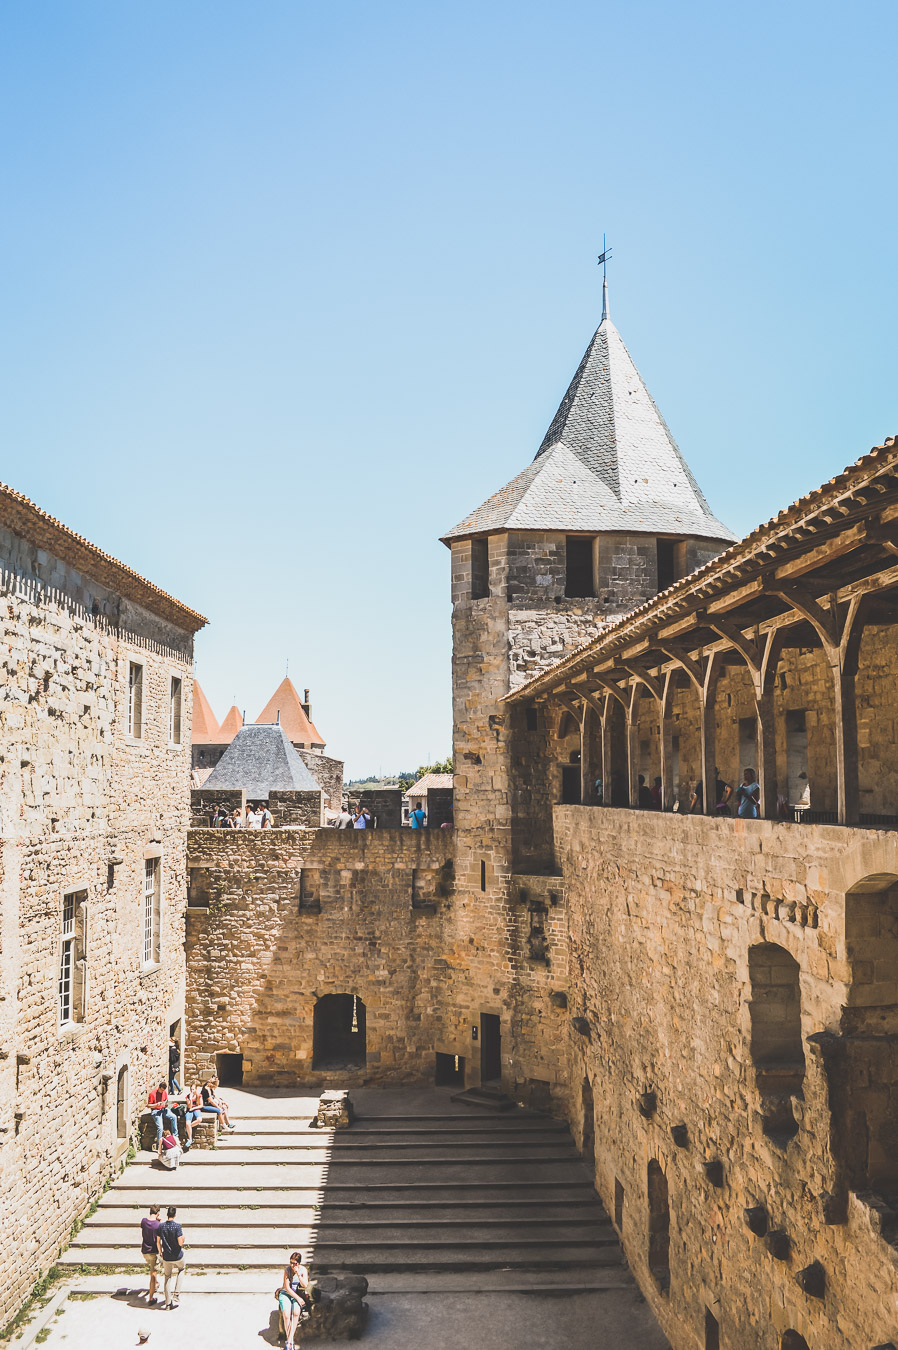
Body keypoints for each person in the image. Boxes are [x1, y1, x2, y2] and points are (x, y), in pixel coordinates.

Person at [277, 1250, 311, 1350]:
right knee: (287, 1314)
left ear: (298, 1263)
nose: (292, 1265)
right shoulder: (287, 1270)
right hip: (286, 1294)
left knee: (296, 1312)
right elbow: (287, 1287)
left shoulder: (303, 1270)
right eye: (291, 1262)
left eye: (294, 1263)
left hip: (297, 1293)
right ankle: (289, 1341)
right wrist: (298, 1298)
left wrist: (298, 1274)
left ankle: (290, 1339)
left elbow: (305, 1285)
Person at [157, 1205, 185, 1310]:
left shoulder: (161, 1226)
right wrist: (184, 1238)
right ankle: (176, 1293)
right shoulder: (177, 1227)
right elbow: (180, 1243)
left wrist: (161, 1253)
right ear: (175, 1215)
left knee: (167, 1277)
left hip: (167, 1256)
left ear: (167, 1214)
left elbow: (158, 1242)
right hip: (177, 1256)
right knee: (182, 1269)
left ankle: (168, 1303)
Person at [148, 1081, 178, 1161]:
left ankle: (175, 1136)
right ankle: (159, 1145)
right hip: (156, 1110)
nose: (162, 1092)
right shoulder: (152, 1094)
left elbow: (166, 1101)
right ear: (159, 1087)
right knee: (160, 1128)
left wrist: (166, 1104)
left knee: (174, 1117)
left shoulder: (164, 1092)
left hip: (163, 1109)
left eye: (163, 1090)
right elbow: (148, 1105)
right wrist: (156, 1105)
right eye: (161, 1090)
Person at [140, 1204, 162, 1304]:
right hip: (153, 1251)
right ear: (158, 1213)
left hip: (144, 1251)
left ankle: (156, 1283)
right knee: (153, 1274)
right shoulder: (158, 1225)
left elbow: (148, 1225)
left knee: (152, 1269)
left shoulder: (143, 1221)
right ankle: (151, 1298)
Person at [183, 1083, 204, 1149]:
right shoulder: (188, 1096)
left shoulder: (199, 1095)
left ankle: (187, 1129)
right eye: (191, 1089)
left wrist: (194, 1108)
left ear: (196, 1089)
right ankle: (190, 1139)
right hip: (189, 1110)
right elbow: (189, 1106)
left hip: (196, 1109)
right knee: (187, 1123)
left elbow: (201, 1105)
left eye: (193, 1089)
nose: (192, 1091)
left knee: (199, 1119)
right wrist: (191, 1099)